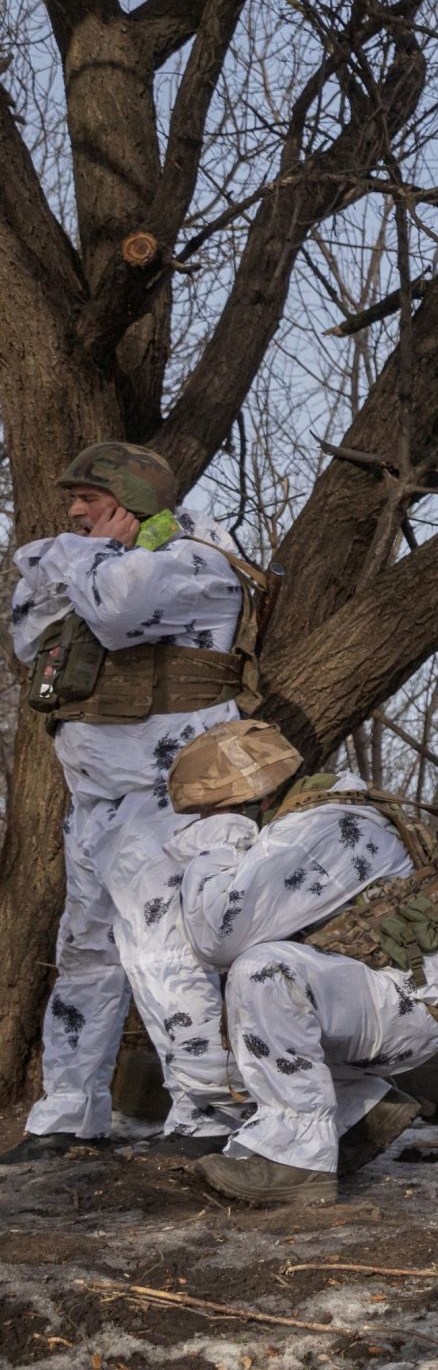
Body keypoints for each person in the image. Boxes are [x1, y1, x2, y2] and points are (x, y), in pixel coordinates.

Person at [0, 443, 268, 1163]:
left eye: (89, 499)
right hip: (95, 803)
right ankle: (69, 1112)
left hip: (171, 798)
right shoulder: (107, 564)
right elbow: (28, 630)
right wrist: (82, 558)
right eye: (73, 502)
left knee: (163, 950)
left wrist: (74, 556)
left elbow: (118, 612)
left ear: (133, 500)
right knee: (85, 955)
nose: (73, 513)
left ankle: (207, 1110)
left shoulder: (195, 563)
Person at [162, 720, 438, 1205]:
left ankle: (295, 1161)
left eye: (209, 810)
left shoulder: (313, 831)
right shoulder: (331, 811)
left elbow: (216, 938)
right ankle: (360, 1111)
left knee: (264, 971)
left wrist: (217, 842)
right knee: (266, 982)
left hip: (407, 1005)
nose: (203, 820)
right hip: (405, 996)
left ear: (247, 800)